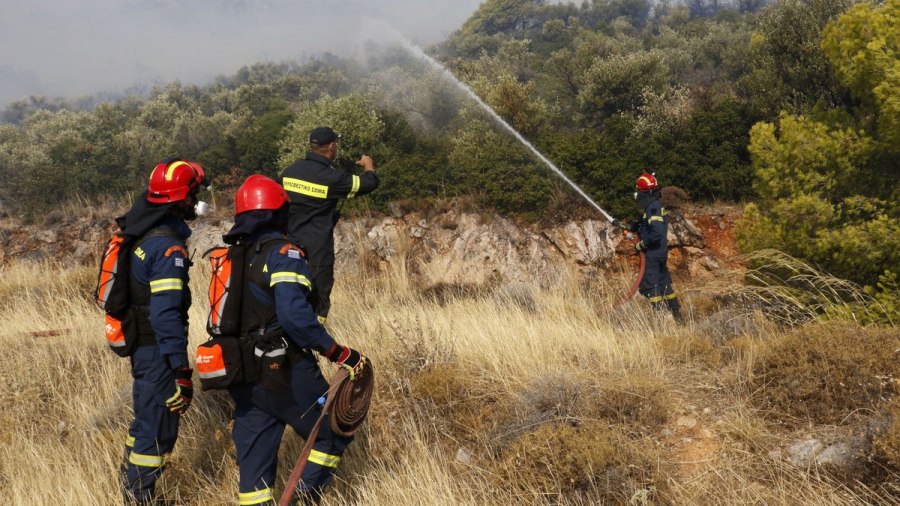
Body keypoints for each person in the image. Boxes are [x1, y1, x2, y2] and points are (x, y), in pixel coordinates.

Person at [222, 175, 367, 505]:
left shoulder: (233, 256)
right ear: (278, 213)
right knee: (331, 433)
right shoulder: (284, 253)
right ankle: (304, 498)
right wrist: (340, 353)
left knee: (254, 467)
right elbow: (295, 318)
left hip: (240, 371)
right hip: (282, 368)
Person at [116, 158, 206, 504]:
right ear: (182, 198)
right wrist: (181, 371)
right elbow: (166, 315)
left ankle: (129, 489)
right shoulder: (168, 248)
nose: (197, 199)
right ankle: (139, 498)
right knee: (157, 432)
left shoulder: (141, 232)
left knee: (144, 421)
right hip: (158, 354)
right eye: (194, 192)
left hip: (143, 348)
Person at [281, 127, 379, 324]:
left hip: (288, 244)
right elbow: (369, 183)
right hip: (317, 248)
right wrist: (369, 166)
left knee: (290, 292)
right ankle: (316, 337)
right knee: (318, 296)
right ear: (332, 147)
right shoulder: (331, 178)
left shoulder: (289, 172)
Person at [613, 173, 684, 324]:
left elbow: (656, 232)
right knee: (664, 283)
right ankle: (677, 316)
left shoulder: (653, 208)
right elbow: (643, 223)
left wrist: (643, 244)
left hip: (652, 254)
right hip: (659, 253)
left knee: (650, 285)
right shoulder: (653, 206)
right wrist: (628, 226)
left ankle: (660, 319)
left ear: (643, 192)